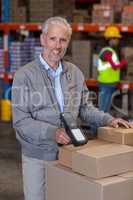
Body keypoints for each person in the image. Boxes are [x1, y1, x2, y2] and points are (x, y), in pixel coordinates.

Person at [11, 17, 133, 200]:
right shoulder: (24, 76)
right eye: (53, 39)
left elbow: (85, 108)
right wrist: (52, 132)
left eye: (63, 40)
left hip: (68, 153)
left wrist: (108, 119)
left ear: (68, 42)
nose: (57, 46)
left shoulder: (74, 73)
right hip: (38, 156)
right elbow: (21, 122)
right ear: (43, 39)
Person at [97, 26, 126, 113]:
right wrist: (125, 62)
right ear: (110, 39)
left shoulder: (110, 51)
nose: (118, 41)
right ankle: (95, 127)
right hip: (106, 84)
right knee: (102, 109)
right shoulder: (107, 52)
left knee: (105, 109)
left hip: (110, 84)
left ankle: (102, 126)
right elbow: (114, 66)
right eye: (116, 38)